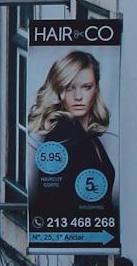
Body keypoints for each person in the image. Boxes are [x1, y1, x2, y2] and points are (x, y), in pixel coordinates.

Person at [26, 47, 117, 225]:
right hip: (81, 236)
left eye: (86, 87)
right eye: (69, 88)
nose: (78, 97)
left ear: (96, 89)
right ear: (58, 90)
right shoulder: (66, 136)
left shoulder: (89, 137)